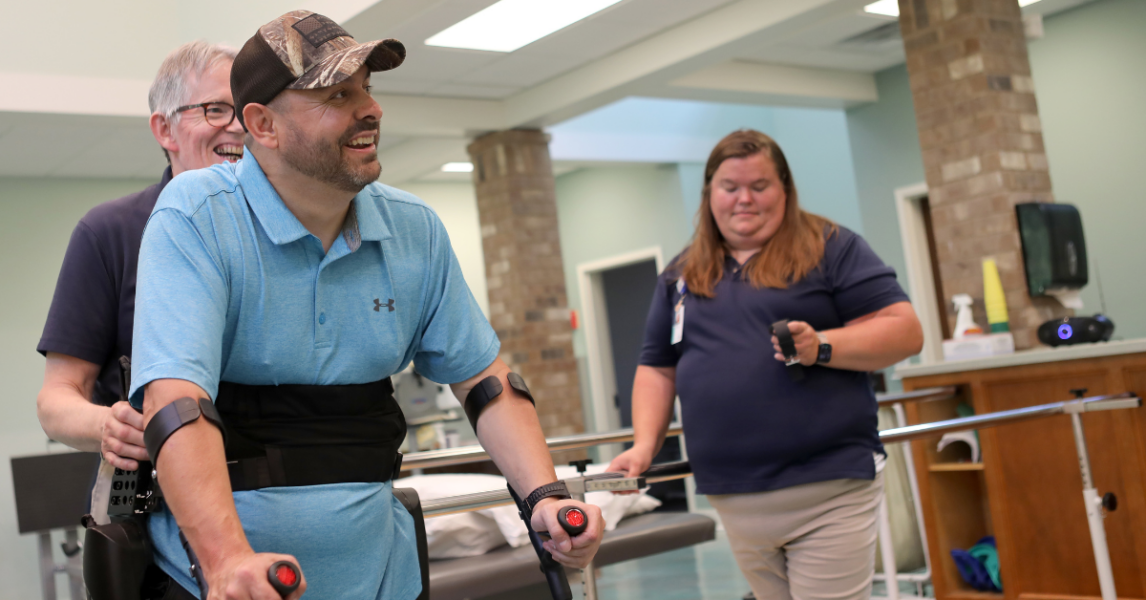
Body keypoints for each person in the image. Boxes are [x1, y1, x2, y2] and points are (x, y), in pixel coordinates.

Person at [128, 11, 603, 600]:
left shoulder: (413, 229)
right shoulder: (196, 216)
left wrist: (544, 497)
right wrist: (227, 561)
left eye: (367, 88)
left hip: (385, 574)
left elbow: (484, 380)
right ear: (262, 124)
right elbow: (176, 403)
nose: (369, 108)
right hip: (238, 583)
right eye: (335, 93)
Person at [608, 129, 923, 600]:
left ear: (785, 189)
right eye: (730, 187)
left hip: (827, 486)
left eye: (760, 186)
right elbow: (657, 365)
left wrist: (824, 346)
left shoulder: (831, 247)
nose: (744, 200)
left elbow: (904, 330)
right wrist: (644, 445)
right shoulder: (682, 274)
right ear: (710, 193)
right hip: (735, 495)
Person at [35, 41, 243, 498]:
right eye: (215, 110)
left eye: (247, 109)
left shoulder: (279, 229)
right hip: (152, 497)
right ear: (165, 129)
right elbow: (56, 398)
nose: (238, 126)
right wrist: (106, 423)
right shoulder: (109, 232)